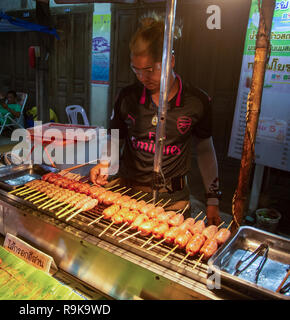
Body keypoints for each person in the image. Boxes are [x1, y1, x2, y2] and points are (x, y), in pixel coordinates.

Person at [90, 15, 222, 226]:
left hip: (173, 202)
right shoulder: (127, 97)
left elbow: (205, 149)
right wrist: (104, 164)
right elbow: (114, 138)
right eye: (136, 70)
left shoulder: (197, 101)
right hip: (128, 194)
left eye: (150, 70)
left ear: (171, 60)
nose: (142, 78)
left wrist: (212, 198)